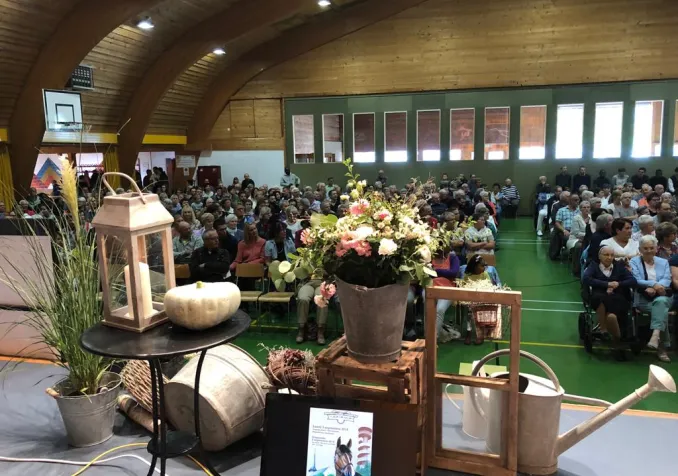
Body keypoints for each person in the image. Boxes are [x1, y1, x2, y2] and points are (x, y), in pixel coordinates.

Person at [583, 246, 636, 360]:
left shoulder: (619, 267)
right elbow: (586, 279)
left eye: (612, 255)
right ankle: (611, 336)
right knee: (600, 298)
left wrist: (618, 284)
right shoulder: (593, 266)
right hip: (599, 295)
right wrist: (606, 284)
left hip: (617, 296)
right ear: (599, 256)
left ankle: (610, 333)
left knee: (613, 309)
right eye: (606, 255)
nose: (609, 257)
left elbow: (632, 280)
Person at [630, 236, 671, 362]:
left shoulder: (663, 262)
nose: (649, 251)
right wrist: (654, 284)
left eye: (651, 248)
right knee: (661, 310)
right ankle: (662, 346)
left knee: (661, 302)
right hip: (643, 299)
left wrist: (657, 287)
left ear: (656, 249)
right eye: (645, 248)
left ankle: (655, 336)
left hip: (662, 295)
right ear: (640, 250)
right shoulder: (634, 262)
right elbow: (636, 279)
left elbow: (667, 279)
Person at [296, 278, 329, 345]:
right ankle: (301, 328)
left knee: (322, 299)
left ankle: (320, 330)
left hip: (322, 283)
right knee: (303, 299)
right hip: (306, 283)